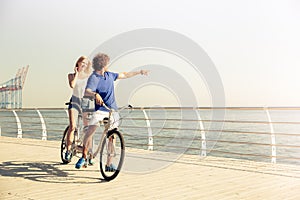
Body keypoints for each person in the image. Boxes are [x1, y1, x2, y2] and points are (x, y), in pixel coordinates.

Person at [75, 53, 149, 169]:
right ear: (103, 64)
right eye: (107, 63)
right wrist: (95, 94)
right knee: (91, 130)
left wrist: (139, 72)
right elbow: (87, 91)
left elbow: (125, 74)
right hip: (100, 110)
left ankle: (109, 164)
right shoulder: (94, 77)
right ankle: (84, 156)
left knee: (112, 136)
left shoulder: (110, 75)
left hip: (112, 110)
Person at [65, 56, 92, 162]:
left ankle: (87, 153)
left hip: (85, 103)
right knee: (72, 126)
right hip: (74, 102)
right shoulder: (71, 75)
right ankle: (68, 150)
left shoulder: (88, 77)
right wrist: (77, 74)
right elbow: (72, 85)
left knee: (88, 129)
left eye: (86, 63)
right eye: (82, 63)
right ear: (78, 63)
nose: (84, 65)